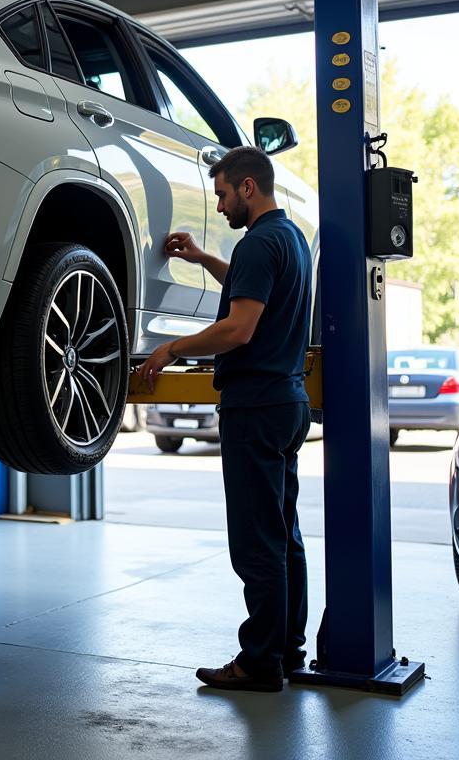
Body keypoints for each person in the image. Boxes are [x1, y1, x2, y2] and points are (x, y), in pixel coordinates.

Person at [138, 145, 313, 693]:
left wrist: (172, 347)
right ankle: (286, 651)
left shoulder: (259, 243)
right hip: (286, 401)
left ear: (246, 188)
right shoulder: (290, 240)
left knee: (257, 542)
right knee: (283, 536)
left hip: (255, 407)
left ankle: (259, 664)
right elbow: (250, 286)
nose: (218, 207)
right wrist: (202, 260)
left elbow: (239, 329)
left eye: (220, 195)